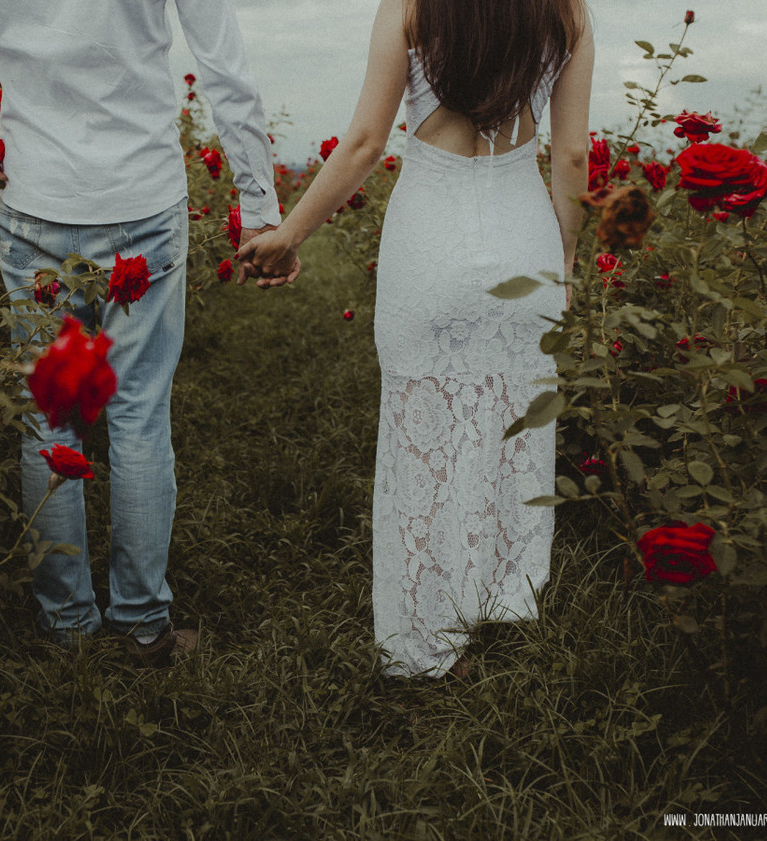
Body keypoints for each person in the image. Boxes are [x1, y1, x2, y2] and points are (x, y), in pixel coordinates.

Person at [0, 0, 296, 664]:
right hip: (141, 199)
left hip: (37, 204)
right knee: (138, 413)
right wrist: (258, 204)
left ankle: (66, 628)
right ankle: (143, 626)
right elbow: (223, 64)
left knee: (50, 417)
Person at [240, 0, 593, 678]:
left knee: (421, 438)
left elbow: (366, 142)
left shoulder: (411, 4)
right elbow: (572, 154)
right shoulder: (568, 10)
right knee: (509, 428)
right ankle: (496, 597)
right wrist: (567, 261)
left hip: (429, 238)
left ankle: (425, 641)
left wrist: (290, 233)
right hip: (525, 241)